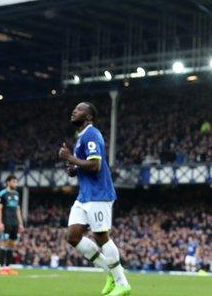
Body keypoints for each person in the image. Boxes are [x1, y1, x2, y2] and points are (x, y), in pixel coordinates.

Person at [58, 102, 131, 296]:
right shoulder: (81, 136)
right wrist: (74, 169)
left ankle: (122, 283)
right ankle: (111, 272)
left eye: (80, 109)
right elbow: (85, 166)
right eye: (74, 108)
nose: (74, 110)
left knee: (101, 237)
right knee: (72, 236)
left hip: (98, 194)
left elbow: (95, 165)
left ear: (89, 117)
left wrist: (70, 158)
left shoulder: (92, 134)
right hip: (85, 195)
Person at [0, 175, 24, 275]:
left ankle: (8, 267)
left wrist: (21, 223)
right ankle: (1, 267)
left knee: (12, 244)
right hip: (6, 221)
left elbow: (18, 209)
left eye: (16, 181)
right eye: (14, 181)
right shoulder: (2, 194)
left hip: (15, 222)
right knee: (4, 243)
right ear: (8, 182)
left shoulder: (16, 194)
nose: (16, 183)